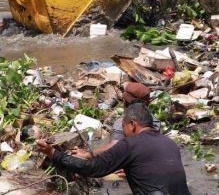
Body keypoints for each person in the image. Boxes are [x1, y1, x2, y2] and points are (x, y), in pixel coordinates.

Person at [36, 103, 191, 195]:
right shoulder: (169, 143)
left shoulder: (130, 144)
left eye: (123, 127)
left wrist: (53, 153)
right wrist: (131, 168)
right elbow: (157, 170)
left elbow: (91, 168)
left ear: (132, 124)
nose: (123, 132)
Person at [90, 82, 160, 156]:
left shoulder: (122, 122)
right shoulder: (155, 121)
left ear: (124, 101)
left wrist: (89, 154)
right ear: (148, 103)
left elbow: (115, 146)